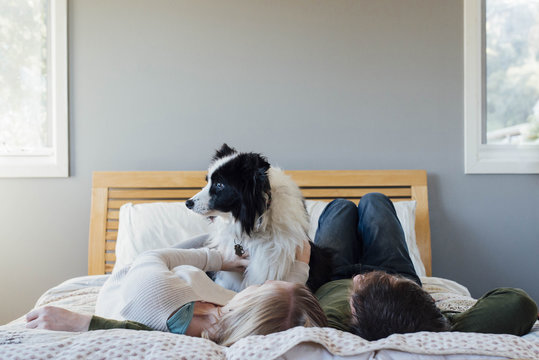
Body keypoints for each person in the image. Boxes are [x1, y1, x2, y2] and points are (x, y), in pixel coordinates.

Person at [312, 194, 538, 340]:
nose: (362, 278)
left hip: (333, 276)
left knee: (341, 207)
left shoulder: (332, 328)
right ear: (429, 301)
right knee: (375, 201)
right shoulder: (432, 328)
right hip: (395, 275)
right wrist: (437, 320)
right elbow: (518, 303)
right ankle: (390, 282)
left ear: (354, 316)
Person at [26, 241, 327, 346]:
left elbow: (153, 257)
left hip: (141, 273)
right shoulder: (235, 328)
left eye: (260, 286)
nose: (258, 283)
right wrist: (301, 268)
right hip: (189, 285)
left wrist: (216, 258)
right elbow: (285, 313)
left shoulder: (157, 295)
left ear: (253, 305)